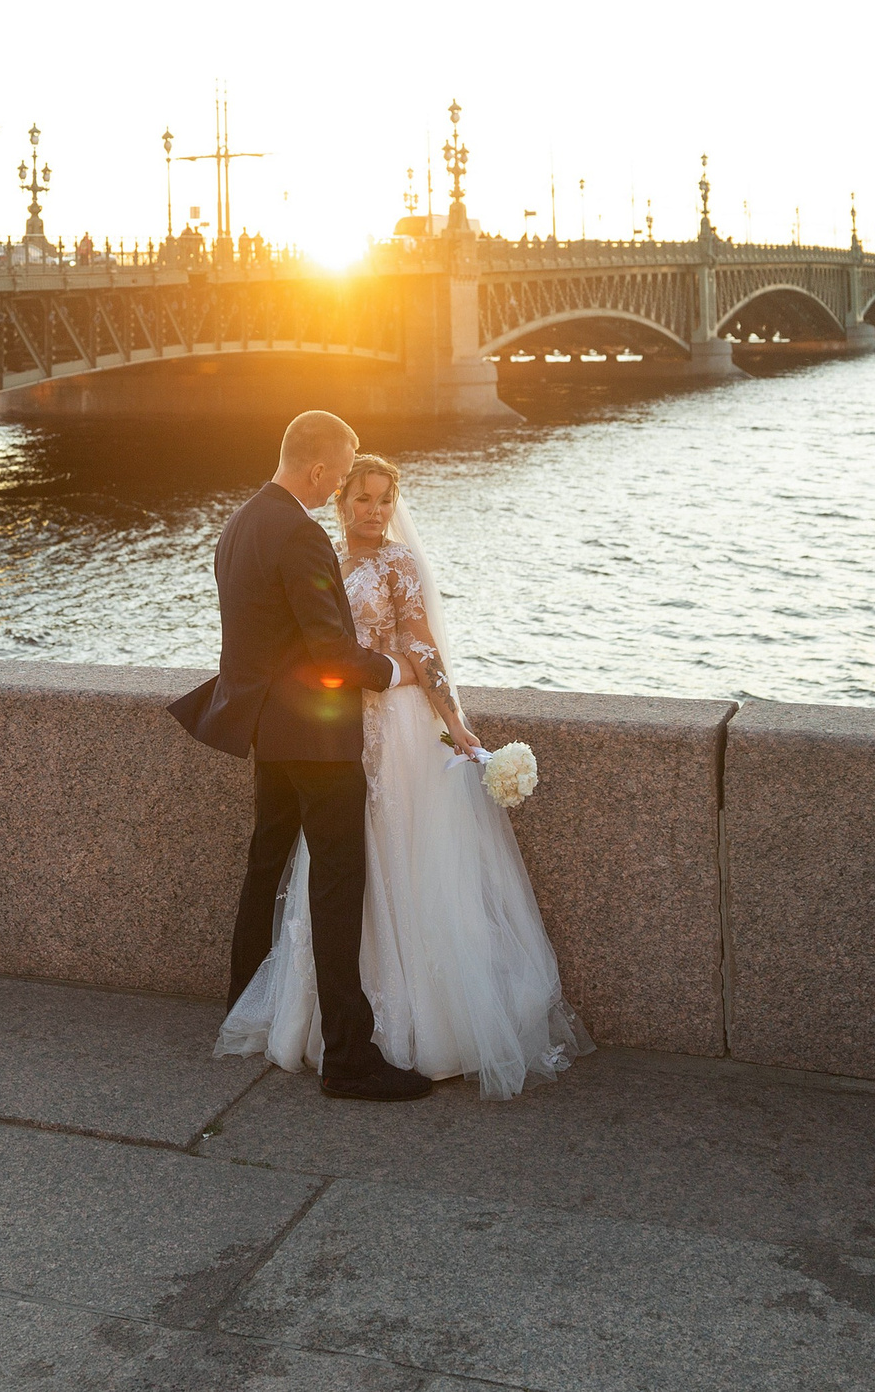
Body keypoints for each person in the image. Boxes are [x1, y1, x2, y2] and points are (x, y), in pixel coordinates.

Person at [217, 452, 593, 1099]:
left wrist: (456, 720)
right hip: (334, 725)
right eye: (363, 498)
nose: (375, 510)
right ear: (340, 500)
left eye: (384, 499)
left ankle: (420, 1022)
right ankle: (339, 1027)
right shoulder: (323, 556)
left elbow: (422, 647)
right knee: (341, 871)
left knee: (399, 855)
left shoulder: (398, 563)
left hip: (395, 726)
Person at [170, 412, 435, 1103]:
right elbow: (331, 652)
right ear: (318, 470)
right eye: (341, 473)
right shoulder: (301, 533)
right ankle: (349, 1056)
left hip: (267, 732)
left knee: (267, 863)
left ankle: (245, 1001)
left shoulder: (240, 524)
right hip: (317, 741)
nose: (341, 485)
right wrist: (396, 672)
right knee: (338, 884)